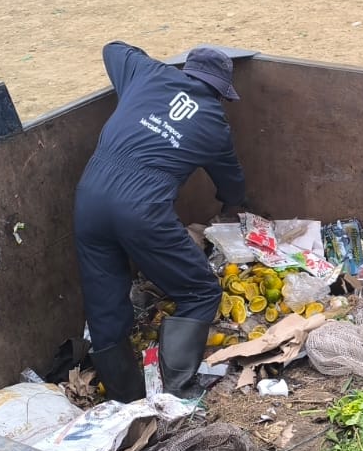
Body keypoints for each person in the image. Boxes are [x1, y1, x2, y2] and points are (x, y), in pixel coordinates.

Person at [74, 42, 246, 402]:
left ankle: (127, 398)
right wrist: (231, 206)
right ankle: (176, 392)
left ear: (186, 69)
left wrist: (146, 70)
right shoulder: (215, 125)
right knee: (200, 291)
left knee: (106, 305)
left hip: (89, 199)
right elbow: (231, 181)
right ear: (220, 92)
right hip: (143, 210)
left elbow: (113, 49)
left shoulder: (147, 73)